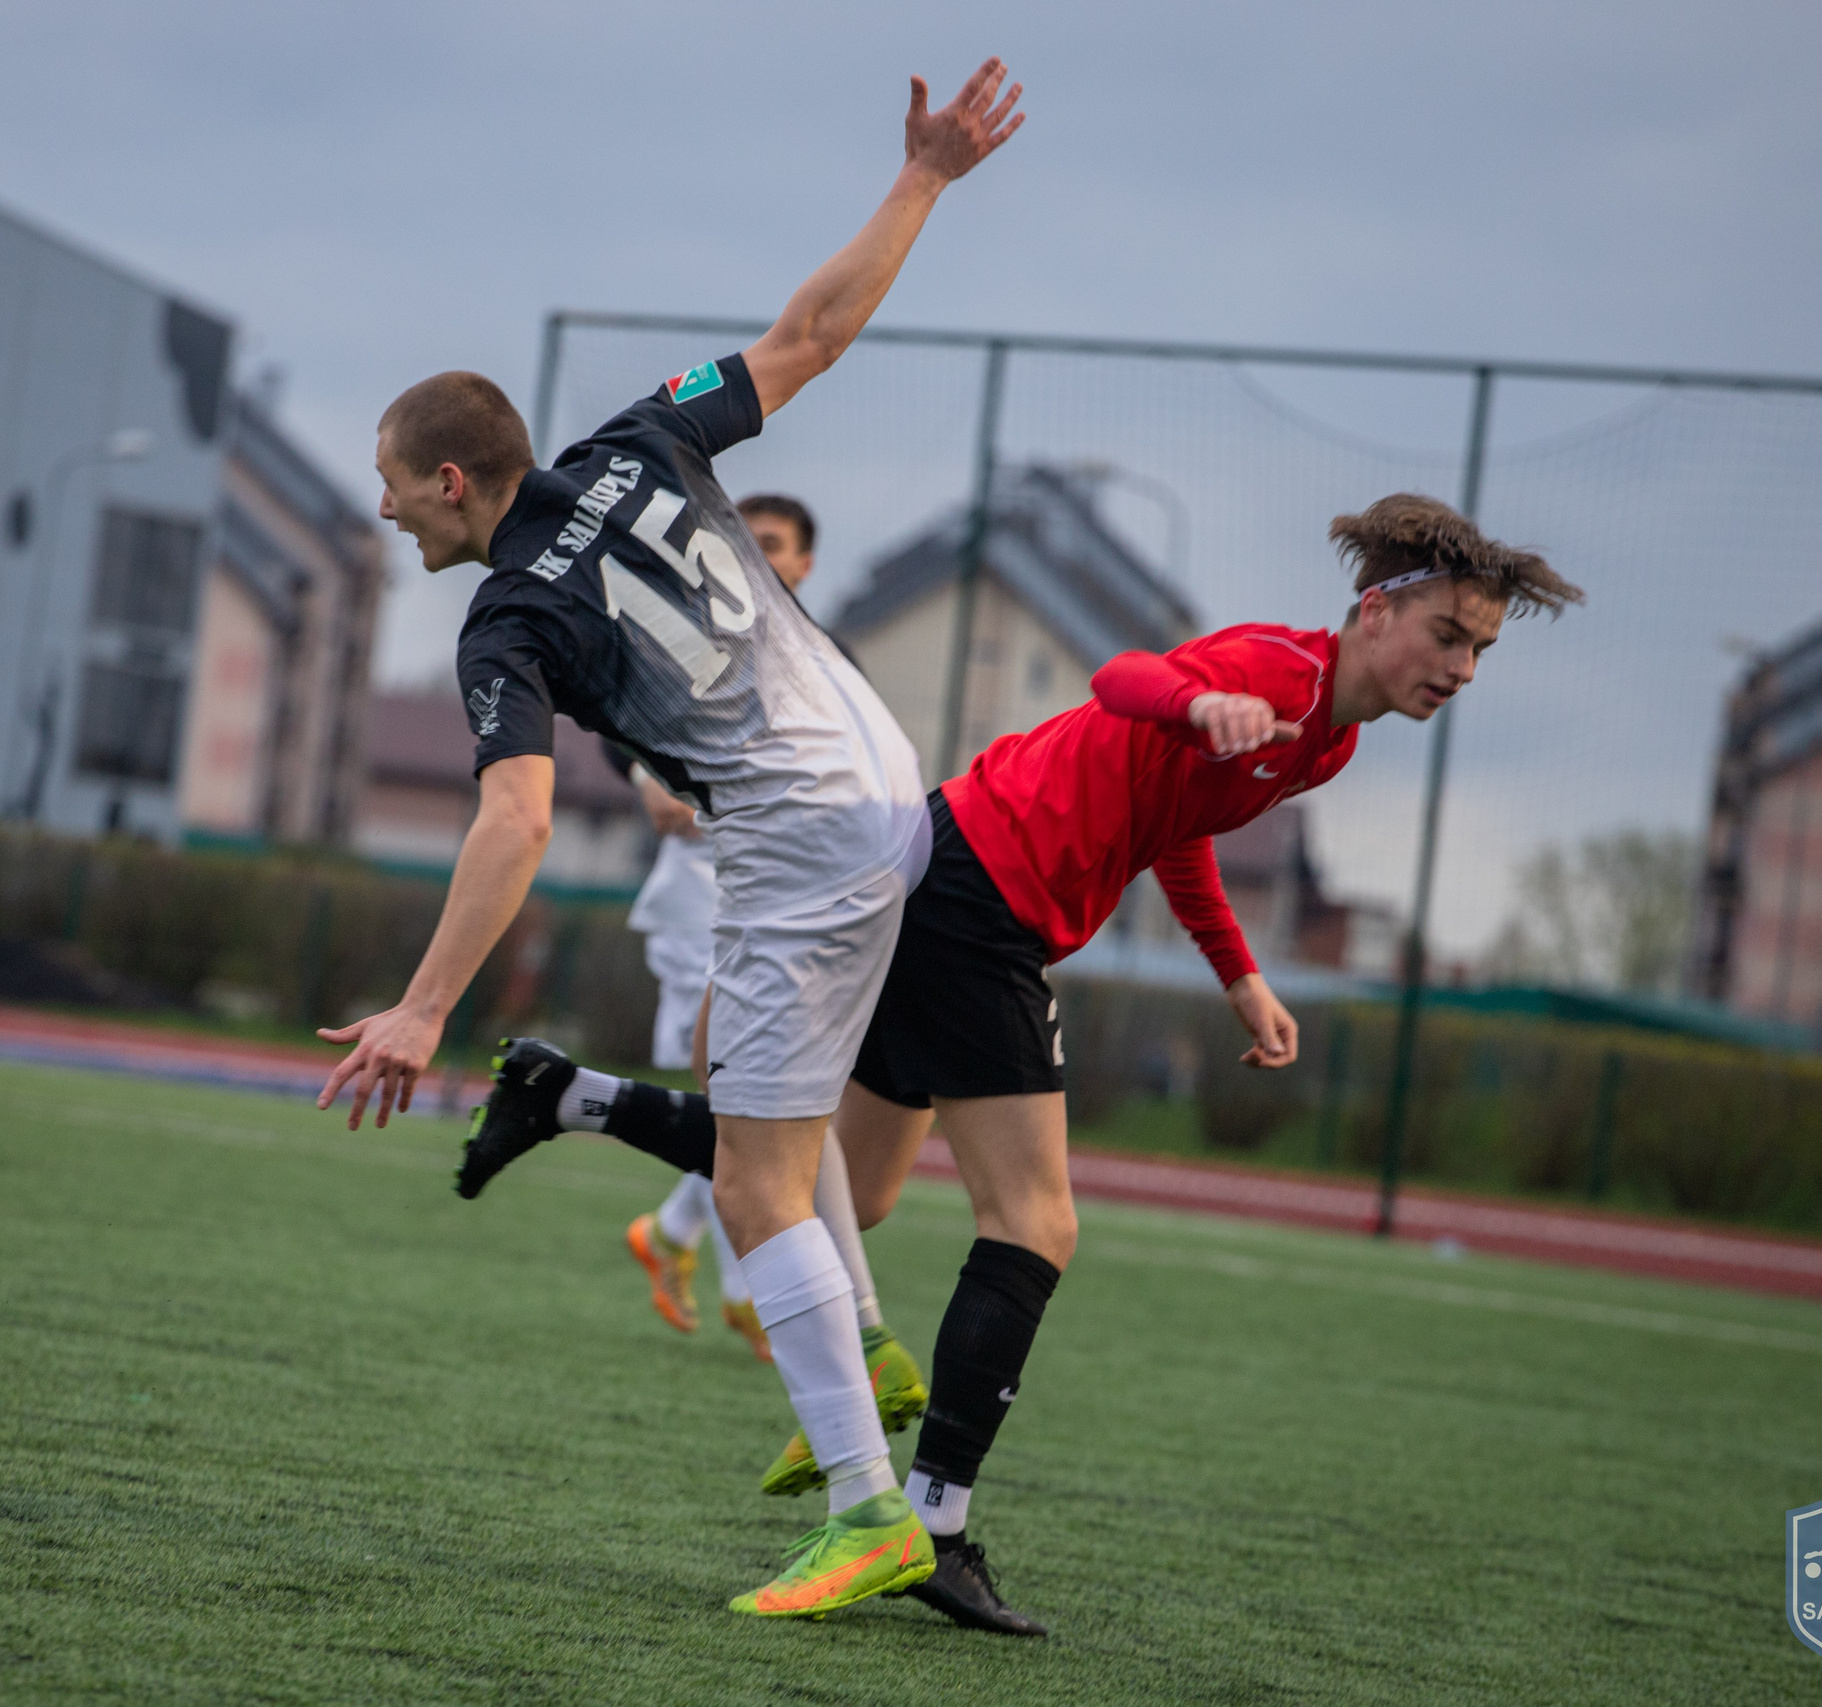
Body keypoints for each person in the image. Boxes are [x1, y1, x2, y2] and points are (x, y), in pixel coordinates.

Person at [460, 493, 1582, 1632]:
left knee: (839, 1184)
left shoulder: (1327, 739)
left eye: (1479, 649)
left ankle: (567, 1094)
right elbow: (1123, 681)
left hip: (954, 879)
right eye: (1448, 636)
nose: (1463, 668)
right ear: (1375, 612)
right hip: (981, 904)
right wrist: (1203, 698)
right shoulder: (1279, 675)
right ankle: (932, 1529)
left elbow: (1172, 823)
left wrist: (1237, 972)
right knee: (1036, 1223)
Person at [316, 60, 1024, 1621]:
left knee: (758, 1177)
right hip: (893, 781)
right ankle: (876, 1350)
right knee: (781, 1107)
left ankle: (867, 1508)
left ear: (451, 480)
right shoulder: (642, 438)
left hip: (791, 842)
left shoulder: (504, 619)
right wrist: (925, 179)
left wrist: (427, 1005)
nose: (385, 517)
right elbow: (810, 337)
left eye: (390, 489)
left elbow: (512, 816)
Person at [614, 498, 911, 1401]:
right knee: (749, 1104)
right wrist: (656, 782)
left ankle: (684, 1239)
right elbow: (643, 759)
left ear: (808, 564)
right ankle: (760, 1290)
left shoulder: (828, 661)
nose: (757, 559)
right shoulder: (685, 641)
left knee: (764, 1110)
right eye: (748, 542)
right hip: (704, 904)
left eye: (774, 545)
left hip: (791, 908)